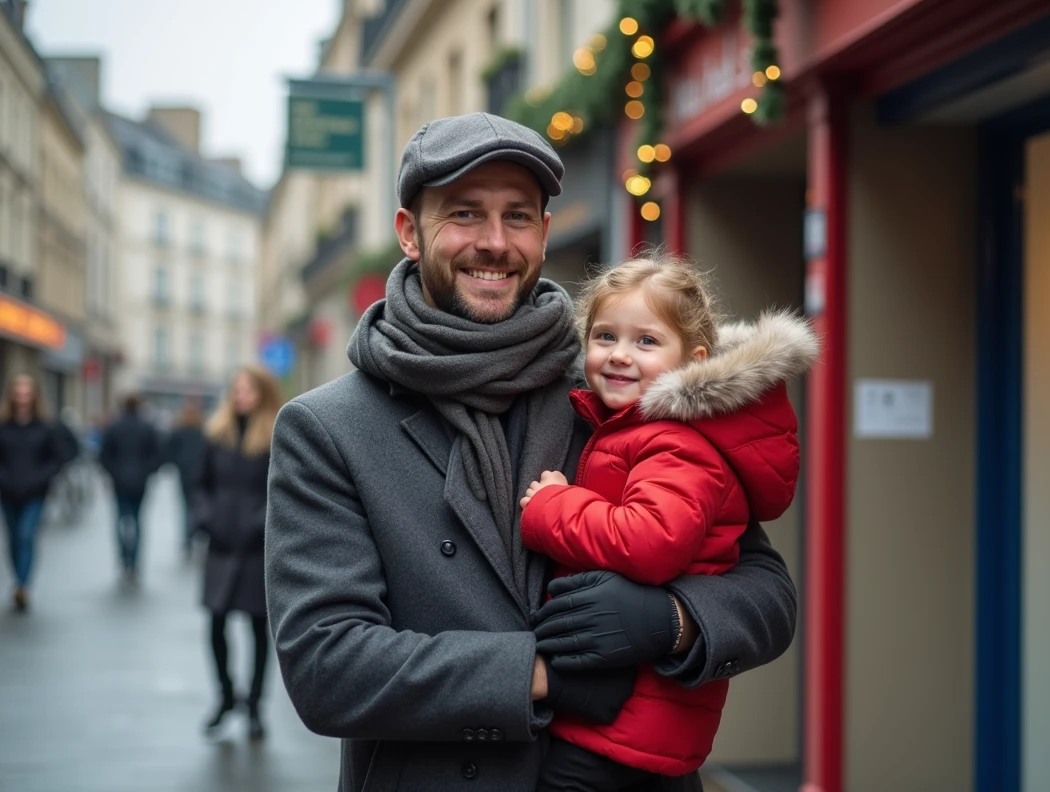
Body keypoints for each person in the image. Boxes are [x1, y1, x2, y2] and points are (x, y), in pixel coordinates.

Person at [265, 112, 799, 791]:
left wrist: (669, 622)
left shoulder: (615, 391)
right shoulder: (328, 428)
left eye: (518, 217)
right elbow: (326, 666)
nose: (494, 242)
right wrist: (542, 675)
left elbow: (767, 594)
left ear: (544, 235)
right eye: (464, 213)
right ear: (409, 232)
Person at [518, 257, 815, 790]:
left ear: (693, 361)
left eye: (646, 341)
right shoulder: (628, 430)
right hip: (627, 717)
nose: (620, 355)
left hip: (623, 726)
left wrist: (551, 507)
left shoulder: (675, 442)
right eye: (605, 335)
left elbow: (652, 542)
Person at [193, 367, 282, 741]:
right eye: (236, 389)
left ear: (261, 392)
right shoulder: (216, 434)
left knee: (257, 628)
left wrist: (259, 524)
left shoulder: (275, 434)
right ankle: (226, 695)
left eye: (248, 389)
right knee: (215, 624)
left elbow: (282, 489)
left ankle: (256, 706)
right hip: (219, 545)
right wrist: (205, 517)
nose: (241, 395)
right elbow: (198, 484)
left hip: (255, 548)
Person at [0, 373, 74, 611]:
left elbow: (58, 458)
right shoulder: (4, 425)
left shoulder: (45, 426)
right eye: (18, 393)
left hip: (35, 493)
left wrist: (41, 478)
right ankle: (18, 579)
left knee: (26, 535)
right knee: (13, 539)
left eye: (26, 393)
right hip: (8, 491)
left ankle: (22, 585)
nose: (22, 397)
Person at [99, 394, 163, 582]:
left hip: (119, 482)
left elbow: (104, 455)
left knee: (121, 520)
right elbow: (158, 455)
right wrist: (146, 472)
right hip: (140, 482)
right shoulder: (147, 428)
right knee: (137, 521)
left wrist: (113, 473)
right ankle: (134, 561)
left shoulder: (114, 427)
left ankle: (124, 558)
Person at [164, 400, 207, 555]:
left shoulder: (179, 432)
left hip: (184, 473)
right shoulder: (202, 432)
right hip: (199, 473)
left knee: (185, 506)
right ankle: (196, 532)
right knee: (197, 504)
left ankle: (187, 536)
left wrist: (178, 463)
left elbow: (169, 452)